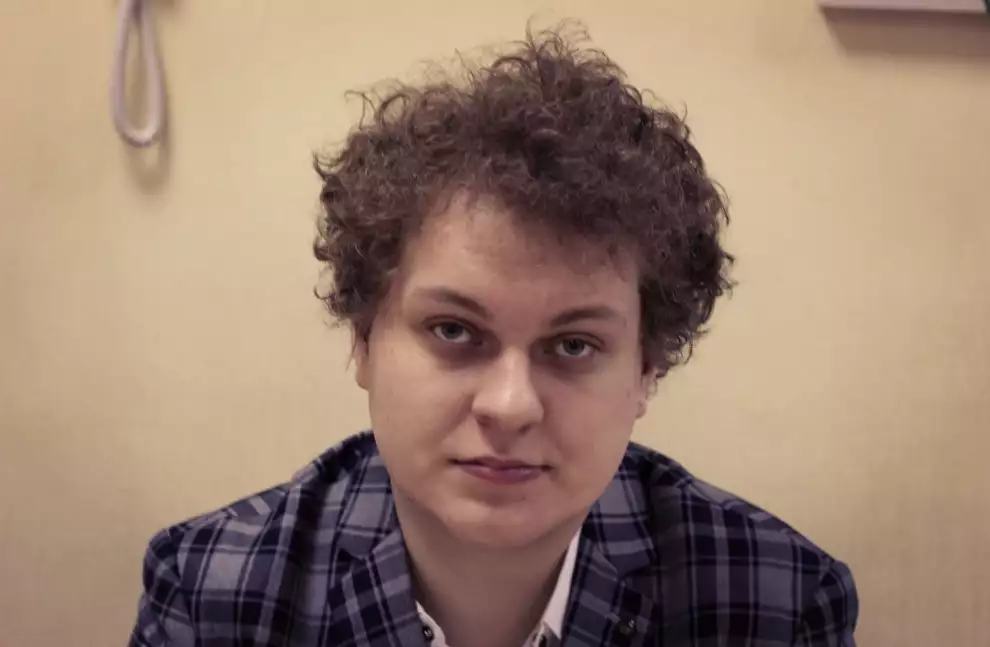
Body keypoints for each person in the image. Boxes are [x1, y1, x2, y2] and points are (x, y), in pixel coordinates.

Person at [128, 24, 858, 647]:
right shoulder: (216, 592)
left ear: (647, 370)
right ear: (363, 340)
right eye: (454, 330)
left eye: (573, 346)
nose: (510, 406)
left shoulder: (777, 601)